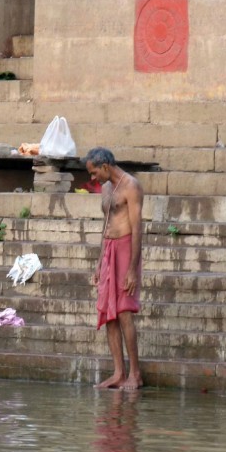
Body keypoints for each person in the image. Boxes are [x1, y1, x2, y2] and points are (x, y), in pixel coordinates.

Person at [84, 147, 144, 390]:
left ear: (105, 166)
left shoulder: (132, 186)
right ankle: (119, 373)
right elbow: (106, 224)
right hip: (109, 250)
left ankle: (135, 375)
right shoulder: (107, 188)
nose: (92, 177)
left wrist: (132, 268)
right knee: (108, 314)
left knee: (123, 312)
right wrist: (99, 262)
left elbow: (138, 228)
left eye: (94, 171)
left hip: (126, 249)